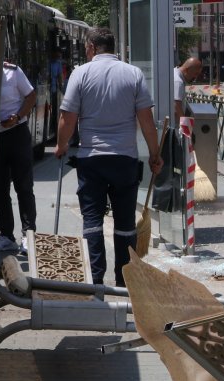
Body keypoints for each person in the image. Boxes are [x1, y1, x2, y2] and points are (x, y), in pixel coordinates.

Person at [55, 28, 163, 287]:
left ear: (92, 46)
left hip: (91, 159)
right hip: (124, 158)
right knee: (125, 223)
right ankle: (125, 281)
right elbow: (146, 120)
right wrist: (155, 155)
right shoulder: (133, 74)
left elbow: (67, 118)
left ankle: (95, 279)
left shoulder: (80, 73)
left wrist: (60, 146)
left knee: (92, 220)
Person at [0, 60, 38, 253]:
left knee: (24, 186)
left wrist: (17, 116)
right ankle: (6, 235)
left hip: (16, 133)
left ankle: (29, 235)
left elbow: (31, 96)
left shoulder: (12, 71)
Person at [173, 57, 203, 122]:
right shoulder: (178, 82)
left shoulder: (174, 72)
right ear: (186, 70)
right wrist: (185, 125)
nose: (195, 77)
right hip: (174, 125)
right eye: (195, 74)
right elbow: (176, 106)